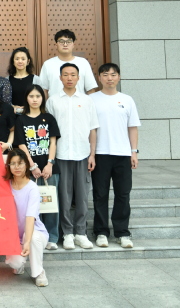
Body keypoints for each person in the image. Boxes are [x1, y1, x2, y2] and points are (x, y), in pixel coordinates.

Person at [46, 62, 99, 251]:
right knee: (64, 196)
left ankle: (81, 233)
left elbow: (93, 129)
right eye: (66, 74)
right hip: (61, 154)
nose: (69, 78)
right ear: (60, 78)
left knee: (82, 196)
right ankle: (67, 233)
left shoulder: (87, 100)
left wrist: (92, 154)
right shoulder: (53, 101)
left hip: (82, 154)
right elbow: (50, 132)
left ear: (78, 78)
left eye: (73, 74)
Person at [90, 63, 140, 249]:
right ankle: (101, 232)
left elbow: (132, 127)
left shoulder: (127, 100)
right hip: (101, 153)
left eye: (113, 74)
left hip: (123, 154)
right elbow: (91, 129)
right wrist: (91, 154)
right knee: (100, 194)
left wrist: (134, 152)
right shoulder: (92, 99)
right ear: (99, 78)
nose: (109, 78)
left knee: (123, 194)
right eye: (105, 74)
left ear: (118, 77)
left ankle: (122, 232)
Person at [13, 85, 61, 250]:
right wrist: (32, 165)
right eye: (31, 96)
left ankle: (52, 237)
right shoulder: (21, 120)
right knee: (31, 205)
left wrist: (50, 164)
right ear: (26, 98)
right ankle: (33, 236)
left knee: (50, 202)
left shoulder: (49, 118)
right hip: (29, 169)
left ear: (42, 98)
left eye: (38, 96)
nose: (35, 99)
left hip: (49, 168)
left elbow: (53, 142)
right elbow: (21, 144)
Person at [4, 149, 49, 287]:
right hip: (14, 236)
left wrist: (27, 242)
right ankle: (21, 264)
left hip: (35, 232)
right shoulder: (5, 186)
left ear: (26, 165)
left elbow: (30, 217)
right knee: (16, 263)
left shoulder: (32, 188)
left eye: (20, 163)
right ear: (8, 166)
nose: (17, 167)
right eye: (13, 163)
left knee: (32, 238)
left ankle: (39, 272)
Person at [38, 29, 98, 98]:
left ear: (73, 45)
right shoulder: (48, 64)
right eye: (61, 41)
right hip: (55, 104)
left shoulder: (83, 63)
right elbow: (44, 90)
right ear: (56, 45)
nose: (65, 44)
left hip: (79, 104)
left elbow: (90, 89)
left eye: (69, 42)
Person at [8, 47, 40, 114]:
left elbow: (40, 99)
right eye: (17, 59)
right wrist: (11, 106)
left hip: (30, 115)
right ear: (13, 62)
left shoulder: (36, 79)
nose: (20, 61)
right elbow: (4, 101)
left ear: (28, 61)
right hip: (12, 115)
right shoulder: (7, 80)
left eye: (23, 59)